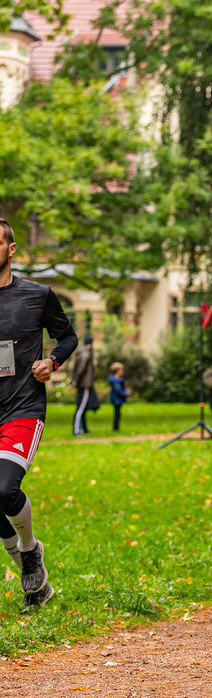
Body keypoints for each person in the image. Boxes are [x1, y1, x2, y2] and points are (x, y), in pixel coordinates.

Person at [0, 217, 78, 610]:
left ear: (11, 249)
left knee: (3, 489)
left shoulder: (37, 295)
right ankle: (35, 579)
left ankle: (29, 549)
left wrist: (51, 362)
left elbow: (68, 336)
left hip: (22, 406)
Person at [71, 333, 96, 435]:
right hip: (84, 384)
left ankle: (84, 429)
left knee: (83, 407)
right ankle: (76, 430)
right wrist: (75, 380)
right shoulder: (85, 354)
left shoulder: (83, 352)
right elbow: (80, 369)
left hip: (83, 383)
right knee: (81, 407)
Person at [108, 362, 129, 432]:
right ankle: (116, 428)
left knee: (117, 412)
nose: (123, 371)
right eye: (122, 370)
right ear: (118, 370)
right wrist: (125, 394)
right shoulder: (116, 380)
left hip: (116, 398)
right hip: (117, 398)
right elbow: (118, 390)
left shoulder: (116, 379)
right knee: (117, 413)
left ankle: (116, 427)